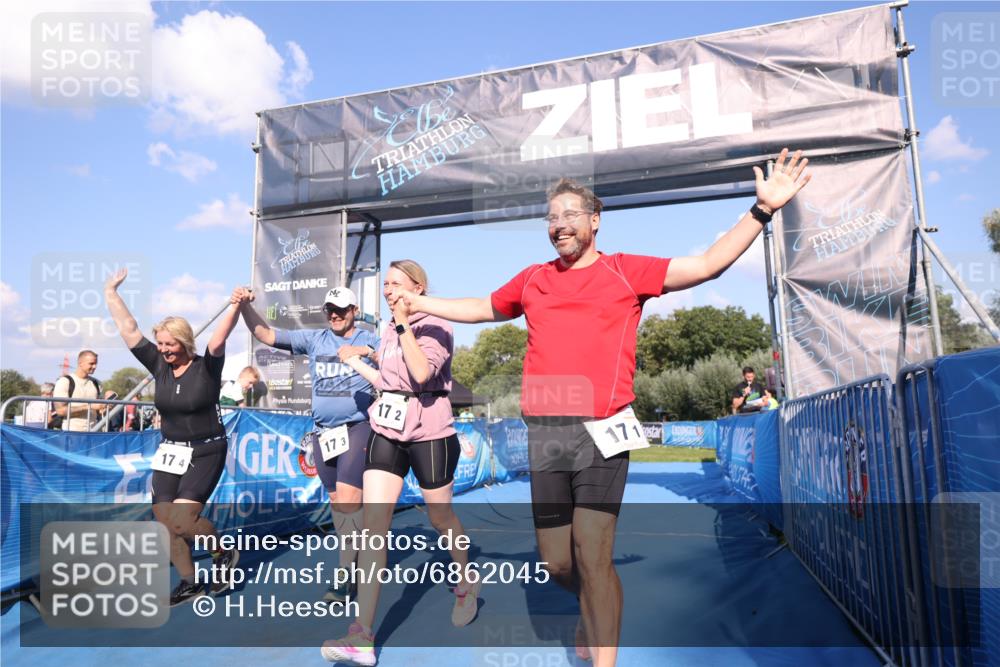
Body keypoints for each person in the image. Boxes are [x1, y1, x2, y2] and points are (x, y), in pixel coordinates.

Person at [393, 149, 811, 667]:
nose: (559, 225)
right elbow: (481, 309)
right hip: (547, 435)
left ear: (595, 220)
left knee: (594, 552)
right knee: (558, 564)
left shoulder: (625, 272)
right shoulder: (532, 279)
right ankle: (593, 609)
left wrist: (761, 211)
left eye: (570, 214)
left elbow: (706, 265)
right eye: (551, 217)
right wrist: (421, 304)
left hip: (603, 431)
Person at [322, 260, 481, 666]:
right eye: (386, 284)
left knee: (440, 517)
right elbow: (390, 382)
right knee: (376, 526)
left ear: (418, 287)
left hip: (430, 432)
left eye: (396, 284)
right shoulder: (388, 329)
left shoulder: (436, 322)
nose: (388, 290)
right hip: (387, 430)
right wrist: (360, 361)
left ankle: (465, 580)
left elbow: (422, 372)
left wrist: (406, 323)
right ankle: (362, 635)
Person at [105, 268, 241, 607]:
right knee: (165, 521)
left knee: (183, 519)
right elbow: (129, 329)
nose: (164, 350)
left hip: (207, 450)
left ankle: (223, 553)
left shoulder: (206, 367)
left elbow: (219, 340)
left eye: (170, 344)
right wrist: (111, 292)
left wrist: (235, 306)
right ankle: (189, 581)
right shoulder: (159, 365)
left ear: (185, 343)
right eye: (161, 344)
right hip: (171, 452)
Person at [235, 285, 378, 601]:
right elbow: (266, 334)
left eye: (341, 309)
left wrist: (366, 353)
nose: (335, 315)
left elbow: (395, 361)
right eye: (330, 309)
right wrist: (244, 306)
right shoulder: (315, 339)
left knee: (350, 500)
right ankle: (356, 554)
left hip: (358, 427)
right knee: (338, 503)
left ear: (354, 310)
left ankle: (346, 572)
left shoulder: (369, 338)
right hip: (324, 433)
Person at [52, 350, 104, 431]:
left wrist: (104, 407)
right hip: (72, 433)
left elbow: (99, 408)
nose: (95, 366)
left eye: (96, 363)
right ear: (80, 363)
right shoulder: (64, 382)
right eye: (91, 363)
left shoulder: (97, 383)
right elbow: (60, 411)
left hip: (93, 433)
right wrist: (89, 406)